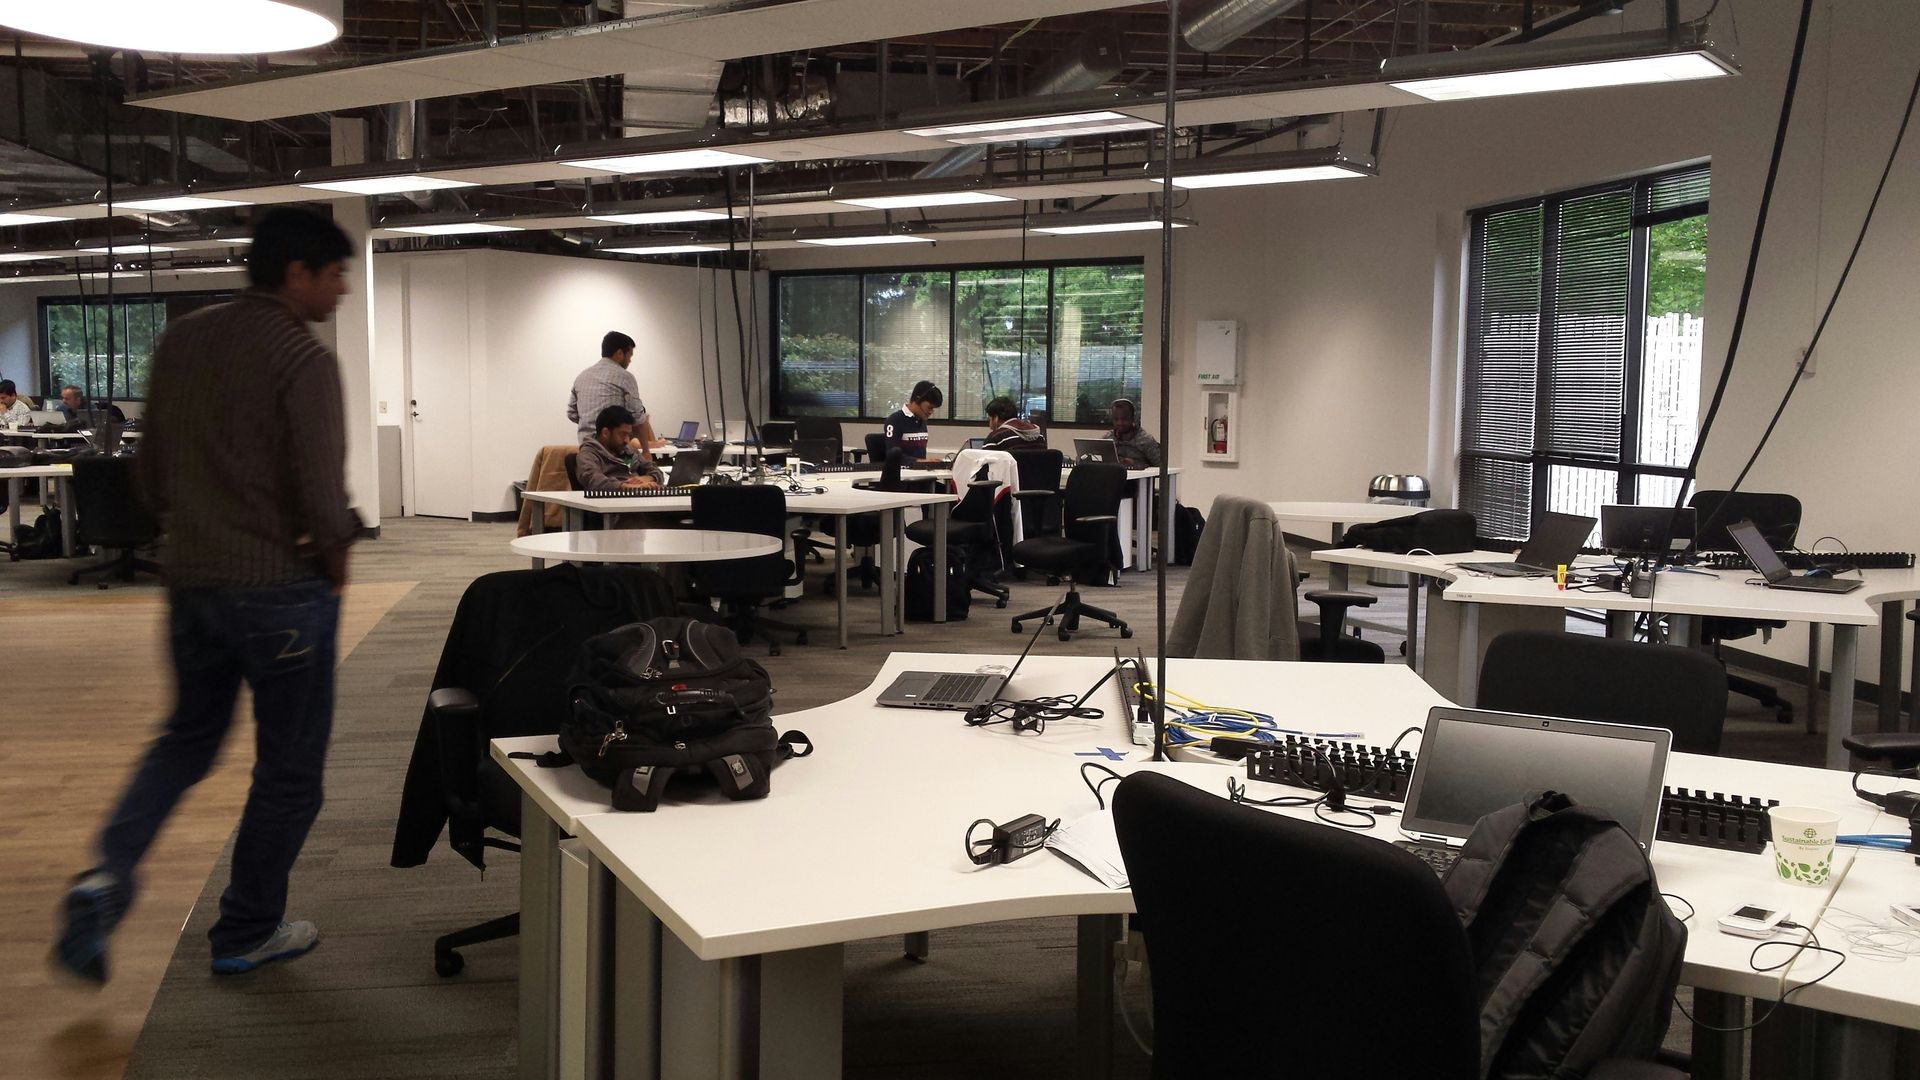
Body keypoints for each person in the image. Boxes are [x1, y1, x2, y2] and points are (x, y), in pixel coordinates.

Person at [54, 206, 360, 983]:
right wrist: (334, 570)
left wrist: (199, 530)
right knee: (288, 773)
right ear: (296, 274)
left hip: (189, 587)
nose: (341, 292)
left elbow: (148, 476)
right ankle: (245, 931)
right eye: (334, 276)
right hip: (280, 596)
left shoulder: (183, 339)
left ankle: (106, 876)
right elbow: (324, 501)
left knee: (185, 742)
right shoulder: (302, 358)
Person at [568, 331, 660, 461]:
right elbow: (638, 418)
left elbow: (571, 413)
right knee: (646, 474)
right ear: (619, 353)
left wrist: (590, 422)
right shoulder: (625, 377)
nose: (630, 360)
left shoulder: (582, 376)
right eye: (630, 355)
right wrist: (646, 452)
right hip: (615, 453)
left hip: (586, 450)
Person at [576, 405, 665, 491]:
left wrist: (648, 478)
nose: (627, 440)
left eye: (628, 435)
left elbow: (655, 470)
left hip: (639, 499)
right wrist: (629, 487)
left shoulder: (627, 450)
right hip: (612, 502)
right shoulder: (589, 453)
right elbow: (593, 480)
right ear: (605, 433)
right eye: (623, 434)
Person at [884, 380, 942, 462]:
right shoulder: (894, 420)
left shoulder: (921, 419)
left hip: (920, 471)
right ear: (918, 399)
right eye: (929, 407)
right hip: (903, 473)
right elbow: (892, 456)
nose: (931, 412)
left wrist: (927, 463)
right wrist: (920, 462)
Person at [1108, 397, 1163, 469]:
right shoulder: (1108, 438)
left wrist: (1135, 464)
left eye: (1124, 419)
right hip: (1113, 478)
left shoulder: (1145, 440)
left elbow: (1161, 467)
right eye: (1116, 419)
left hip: (1139, 479)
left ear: (1133, 418)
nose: (1119, 423)